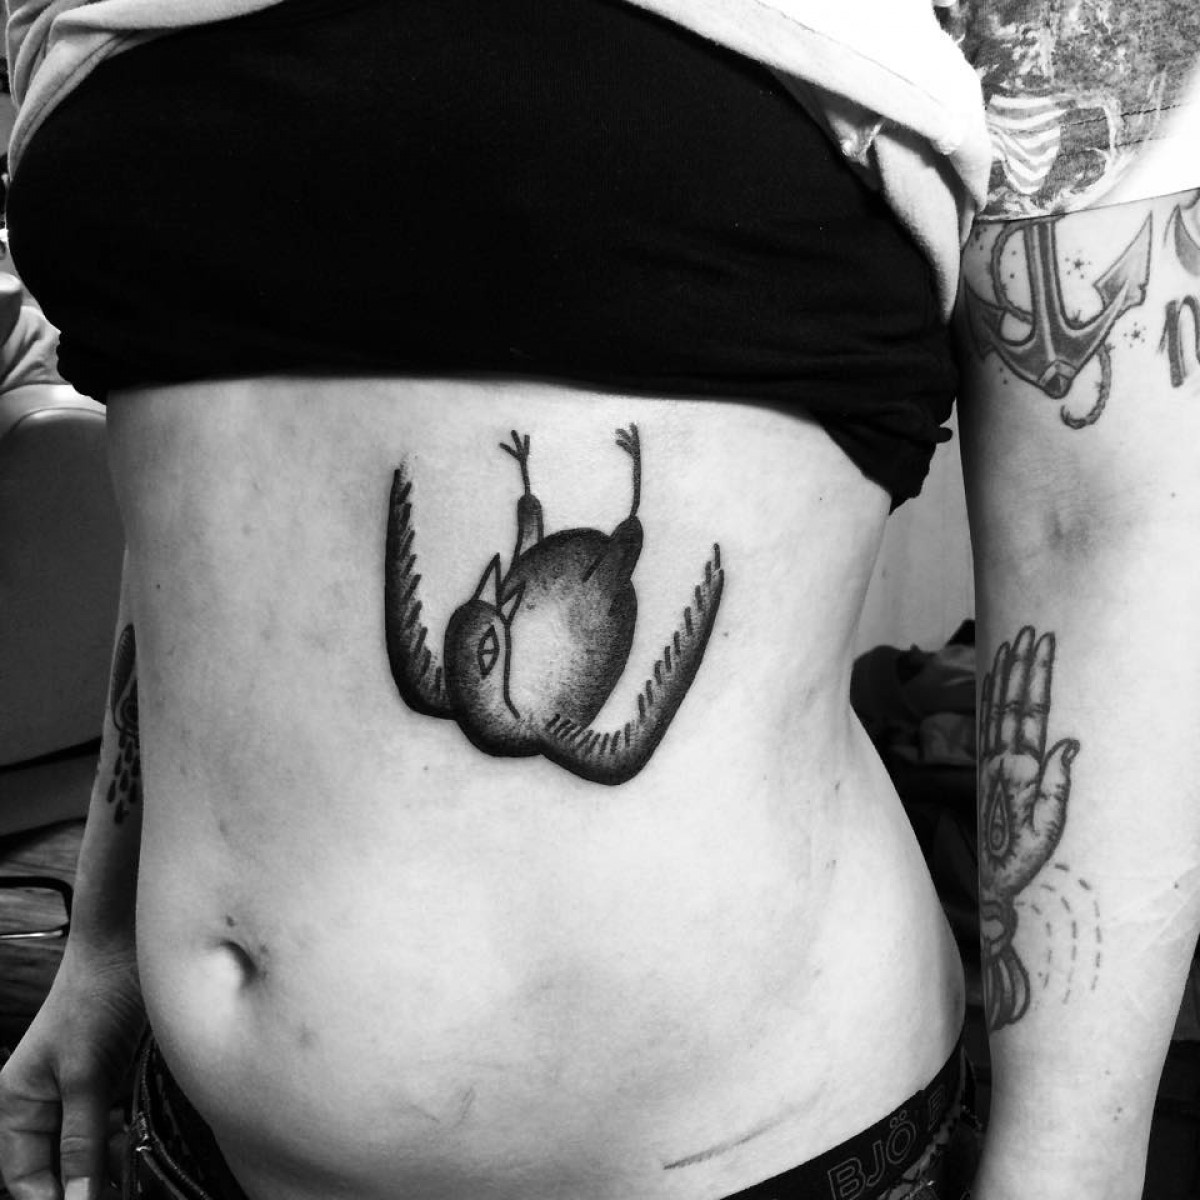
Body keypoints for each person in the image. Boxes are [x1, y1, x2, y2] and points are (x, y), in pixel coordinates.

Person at [0, 4, 1196, 1200]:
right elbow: (210, 515)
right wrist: (103, 940)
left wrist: (1070, 1168)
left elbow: (1101, 524)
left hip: (746, 1154)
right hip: (194, 1142)